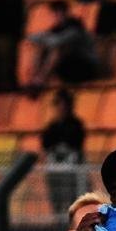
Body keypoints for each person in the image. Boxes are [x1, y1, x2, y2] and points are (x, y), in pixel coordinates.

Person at [25, 0, 101, 94]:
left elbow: (57, 41)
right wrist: (43, 38)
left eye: (60, 13)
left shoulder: (75, 28)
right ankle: (35, 79)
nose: (58, 16)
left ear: (66, 12)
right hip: (68, 67)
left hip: (86, 68)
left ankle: (41, 81)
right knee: (39, 47)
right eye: (55, 13)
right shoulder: (56, 29)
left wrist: (44, 38)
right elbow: (31, 38)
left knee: (59, 49)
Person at [40, 88, 87, 217]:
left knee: (73, 196)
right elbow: (46, 145)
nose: (61, 108)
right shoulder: (52, 127)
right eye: (59, 105)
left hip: (72, 169)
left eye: (64, 105)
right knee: (57, 197)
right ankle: (57, 217)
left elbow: (77, 144)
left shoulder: (76, 125)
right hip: (55, 168)